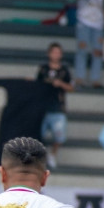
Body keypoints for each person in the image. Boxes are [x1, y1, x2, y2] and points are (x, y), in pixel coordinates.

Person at [35, 42, 73, 170]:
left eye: (58, 52)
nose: (56, 55)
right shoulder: (43, 69)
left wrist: (61, 84)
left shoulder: (64, 71)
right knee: (39, 135)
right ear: (49, 53)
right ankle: (40, 158)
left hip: (58, 108)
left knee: (59, 137)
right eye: (54, 52)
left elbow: (71, 88)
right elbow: (36, 85)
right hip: (43, 107)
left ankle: (52, 155)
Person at [71, 0, 104, 88]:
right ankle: (79, 77)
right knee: (82, 49)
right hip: (84, 21)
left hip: (98, 24)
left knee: (98, 52)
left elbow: (101, 6)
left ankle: (95, 79)